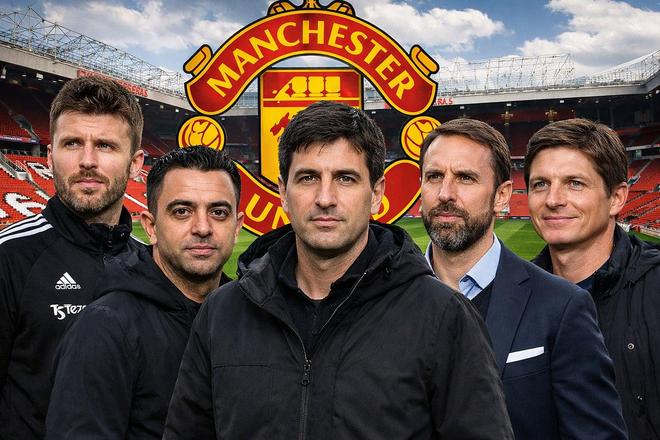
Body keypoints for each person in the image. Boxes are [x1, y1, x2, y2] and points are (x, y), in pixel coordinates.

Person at [164, 101, 514, 439]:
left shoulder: (443, 316)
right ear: (283, 192)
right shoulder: (222, 313)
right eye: (308, 178)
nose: (325, 198)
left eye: (345, 178)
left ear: (376, 193)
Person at [420, 118, 627, 439]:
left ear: (502, 196)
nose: (445, 193)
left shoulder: (562, 306)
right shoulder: (384, 300)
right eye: (434, 176)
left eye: (465, 178)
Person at [45, 146, 243, 439]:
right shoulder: (105, 327)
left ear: (237, 226)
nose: (202, 228)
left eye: (218, 212)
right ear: (151, 227)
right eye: (182, 212)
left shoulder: (247, 318)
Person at [0, 76, 144, 439]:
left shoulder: (151, 265)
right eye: (72, 143)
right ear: (49, 157)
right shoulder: (8, 257)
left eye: (106, 145)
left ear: (135, 163)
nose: (87, 161)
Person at [525, 118, 660, 440]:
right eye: (540, 184)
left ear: (616, 198)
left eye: (574, 183)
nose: (553, 199)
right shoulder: (511, 296)